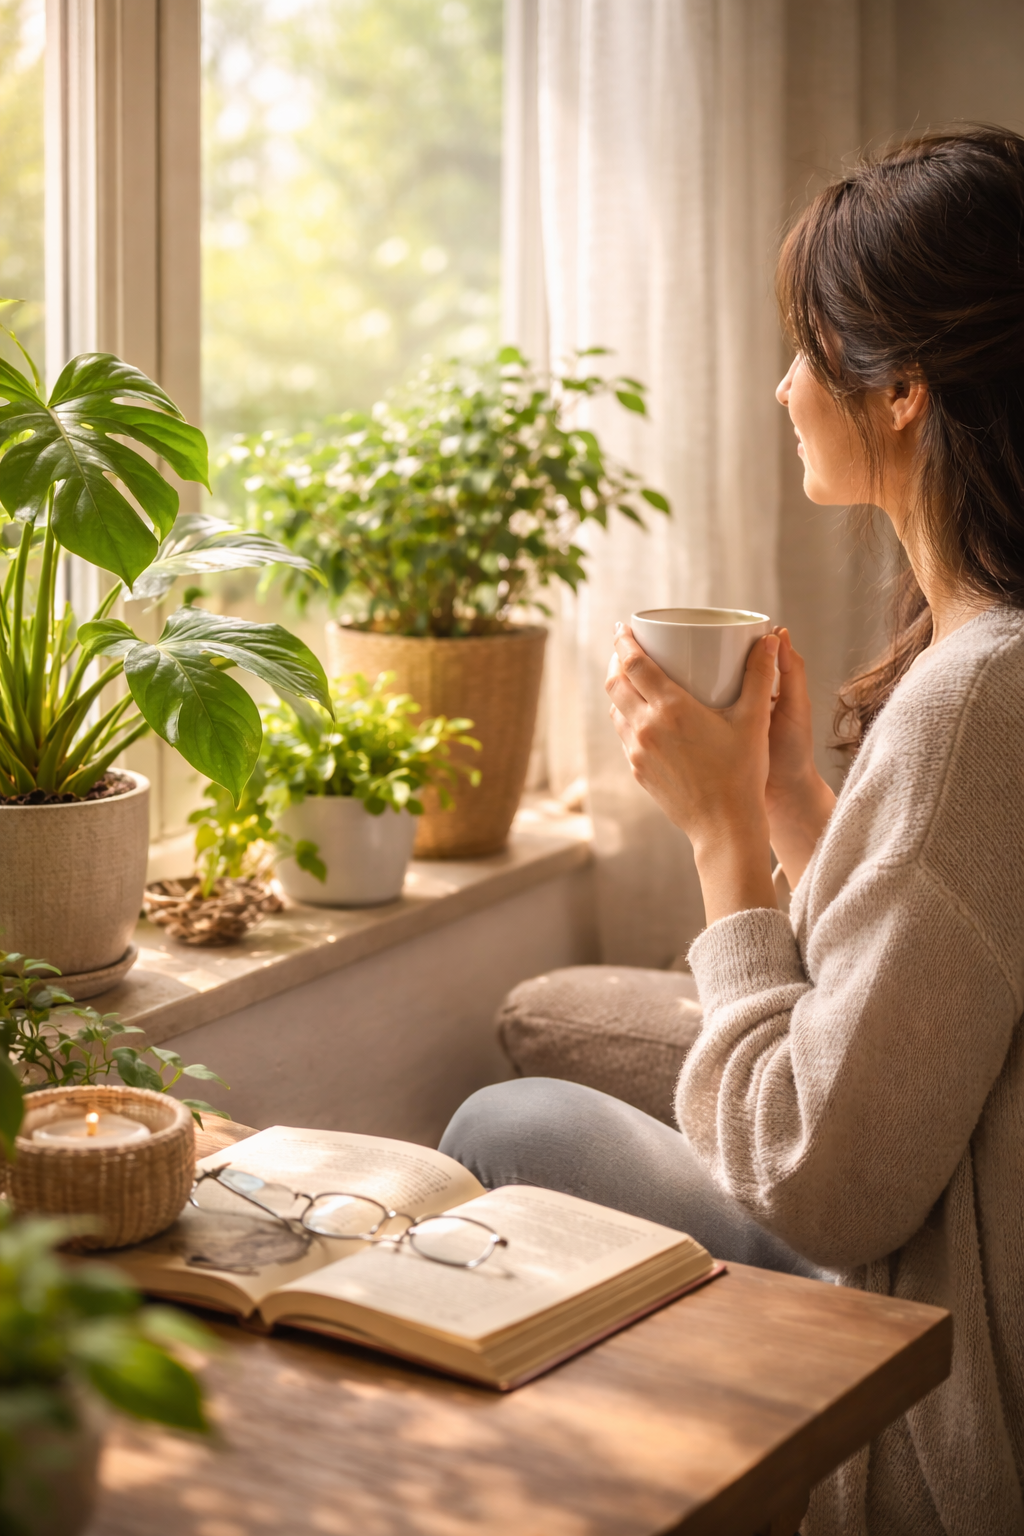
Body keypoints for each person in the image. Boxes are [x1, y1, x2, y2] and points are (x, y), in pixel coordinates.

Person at [440, 126, 1024, 1534]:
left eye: (808, 349)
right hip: (925, 1222)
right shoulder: (982, 668)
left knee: (499, 1122)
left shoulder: (978, 698)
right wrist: (786, 800)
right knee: (532, 1065)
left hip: (929, 1366)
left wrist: (718, 846)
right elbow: (932, 986)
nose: (779, 387)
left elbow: (822, 1174)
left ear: (903, 392)